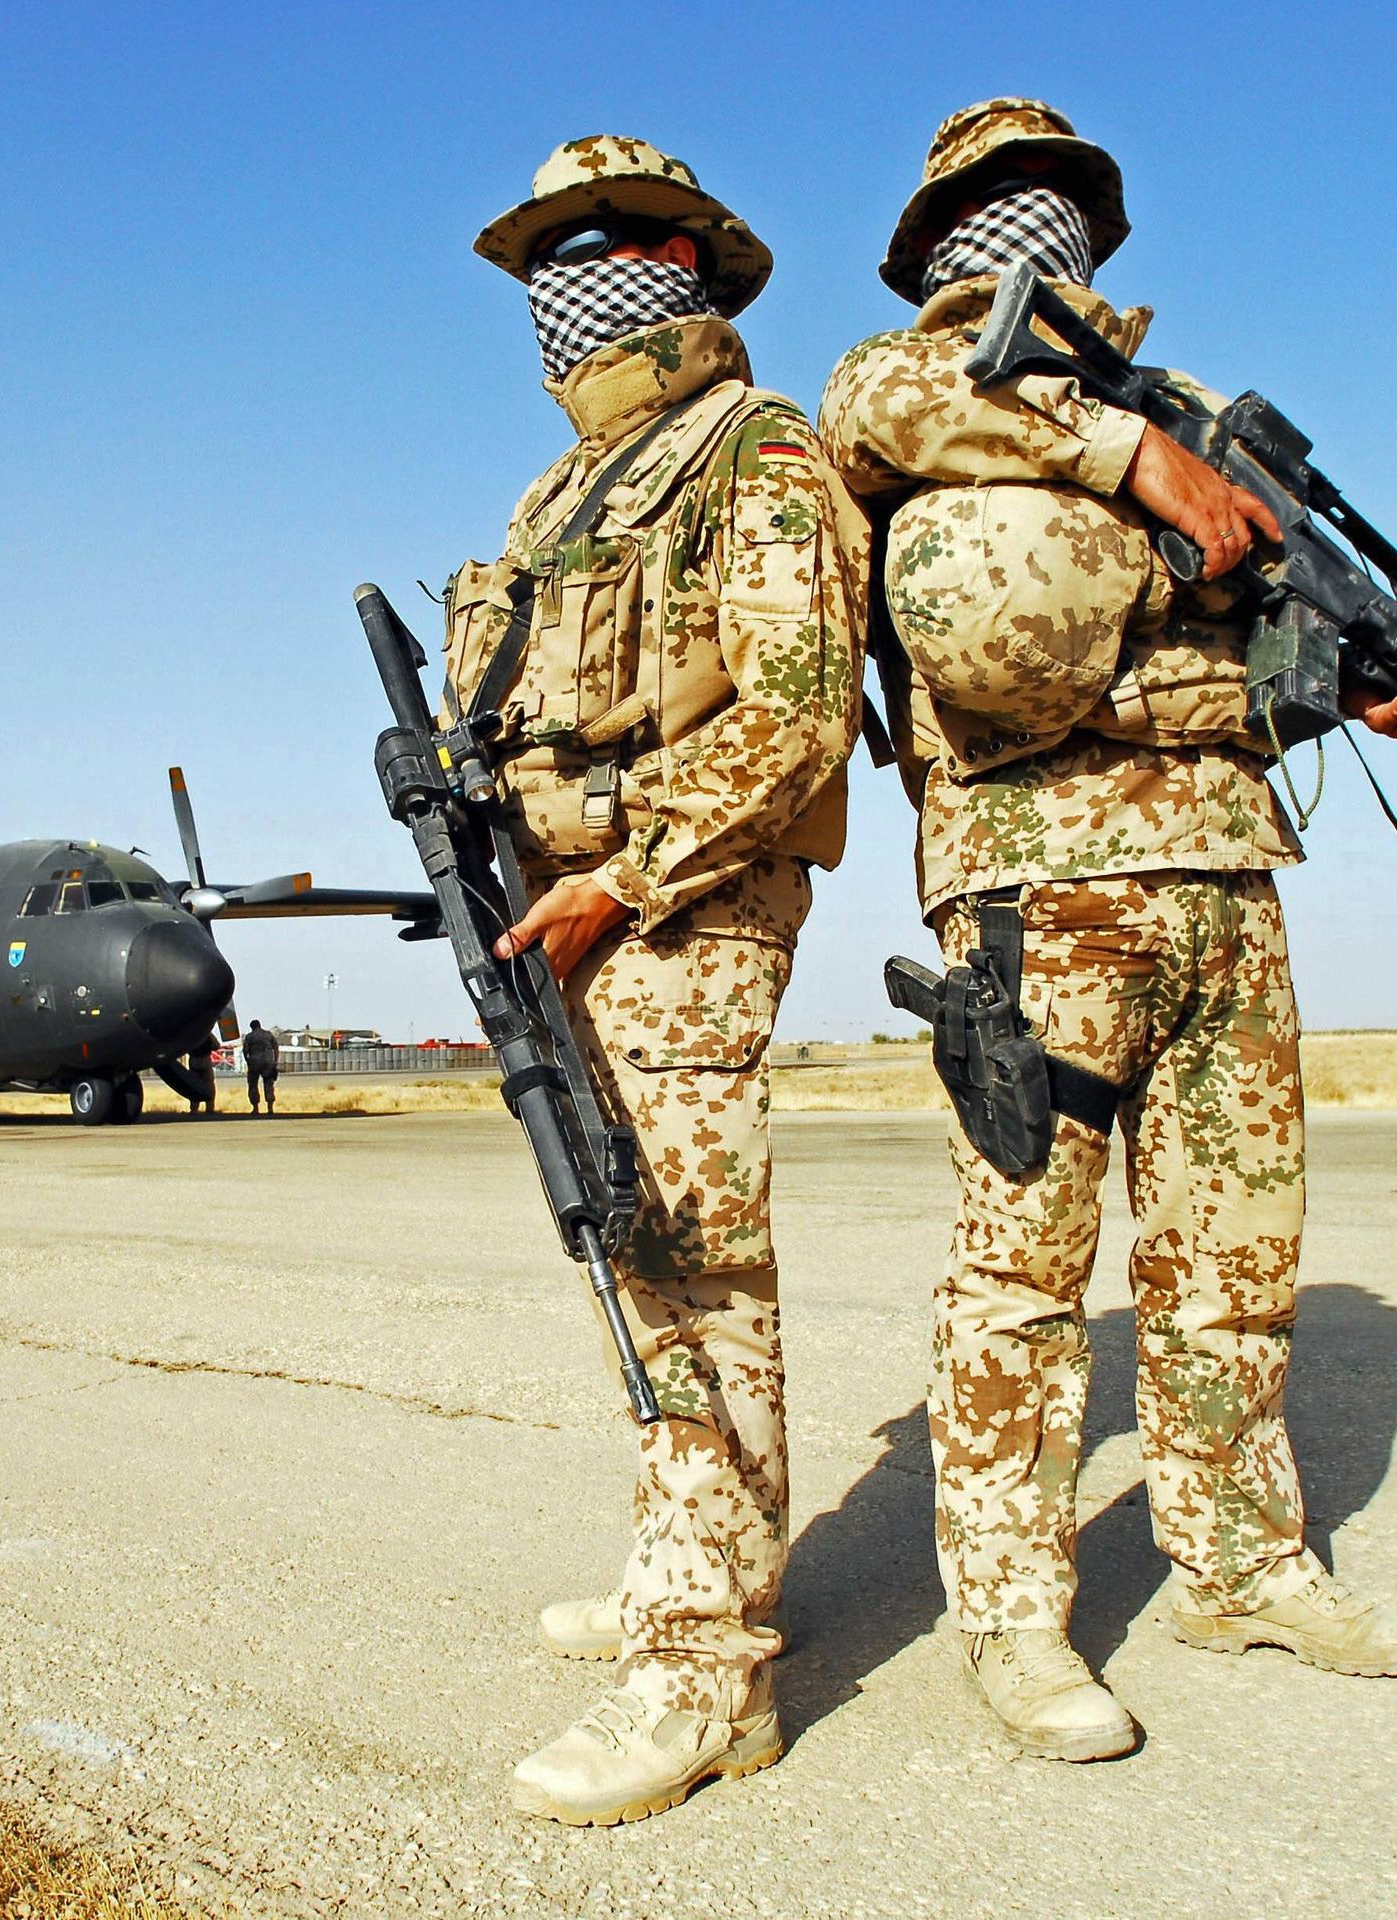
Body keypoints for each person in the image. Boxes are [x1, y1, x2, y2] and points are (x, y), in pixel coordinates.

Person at [817, 97, 1397, 1764]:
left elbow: (1249, 620)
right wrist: (1113, 452)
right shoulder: (902, 384)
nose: (1029, 224)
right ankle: (1014, 1620)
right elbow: (879, 402)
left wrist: (1357, 684)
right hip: (1034, 880)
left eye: (1056, 196)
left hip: (1229, 871)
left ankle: (1242, 1562)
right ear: (936, 242)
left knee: (1234, 1259)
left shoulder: (1200, 411)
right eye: (992, 203)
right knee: (1020, 1274)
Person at [457, 134, 869, 1823]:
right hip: (571, 916)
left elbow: (791, 714)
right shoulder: (560, 498)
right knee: (626, 1257)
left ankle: (709, 1675)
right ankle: (677, 1568)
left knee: (695, 1275)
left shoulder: (753, 452)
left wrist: (624, 872)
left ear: (682, 271)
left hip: (682, 909)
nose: (566, 294)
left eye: (602, 254)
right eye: (548, 262)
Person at [241, 1019, 279, 1115]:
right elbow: (276, 1047)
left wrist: (247, 1061)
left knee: (253, 1085)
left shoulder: (249, 1037)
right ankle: (270, 1109)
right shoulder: (268, 1034)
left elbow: (245, 1050)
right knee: (269, 1085)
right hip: (268, 1062)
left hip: (254, 1063)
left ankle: (255, 1108)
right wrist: (275, 1060)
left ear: (252, 1027)